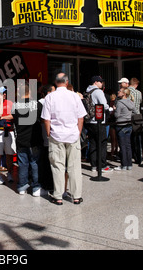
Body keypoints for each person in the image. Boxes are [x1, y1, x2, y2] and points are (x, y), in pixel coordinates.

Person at [41, 74, 87, 205]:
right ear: (67, 82)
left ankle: (58, 196)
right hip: (72, 135)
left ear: (55, 82)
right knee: (74, 166)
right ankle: (76, 196)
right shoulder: (74, 96)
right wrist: (78, 132)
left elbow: (46, 119)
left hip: (56, 136)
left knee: (57, 166)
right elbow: (81, 117)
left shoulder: (50, 97)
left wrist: (49, 134)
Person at [11, 82, 43, 196]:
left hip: (20, 139)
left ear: (19, 93)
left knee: (22, 164)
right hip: (34, 139)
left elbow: (13, 117)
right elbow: (43, 118)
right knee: (34, 163)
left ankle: (22, 187)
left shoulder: (15, 105)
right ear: (29, 92)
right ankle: (36, 188)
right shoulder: (36, 104)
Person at [84, 76, 112, 172]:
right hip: (98, 121)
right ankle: (102, 165)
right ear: (96, 82)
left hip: (89, 121)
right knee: (102, 143)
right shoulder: (98, 92)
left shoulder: (87, 91)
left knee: (92, 143)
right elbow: (104, 105)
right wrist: (110, 109)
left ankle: (94, 165)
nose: (102, 83)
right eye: (100, 82)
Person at [113, 88, 137, 171]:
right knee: (128, 145)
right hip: (129, 124)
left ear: (123, 94)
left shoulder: (119, 103)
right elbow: (135, 112)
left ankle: (124, 165)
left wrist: (115, 109)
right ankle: (129, 164)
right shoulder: (131, 102)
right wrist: (128, 116)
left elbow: (117, 115)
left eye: (119, 91)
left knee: (122, 146)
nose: (118, 92)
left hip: (121, 125)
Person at [38, 84, 55, 190]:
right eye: (54, 91)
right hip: (46, 138)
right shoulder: (40, 104)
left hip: (50, 138)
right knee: (46, 162)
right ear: (48, 93)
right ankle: (47, 183)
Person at [128, 77, 143, 164]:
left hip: (130, 115)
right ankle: (138, 156)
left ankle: (132, 154)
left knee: (130, 137)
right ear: (136, 84)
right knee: (137, 137)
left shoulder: (128, 91)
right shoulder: (139, 93)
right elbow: (139, 102)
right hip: (137, 115)